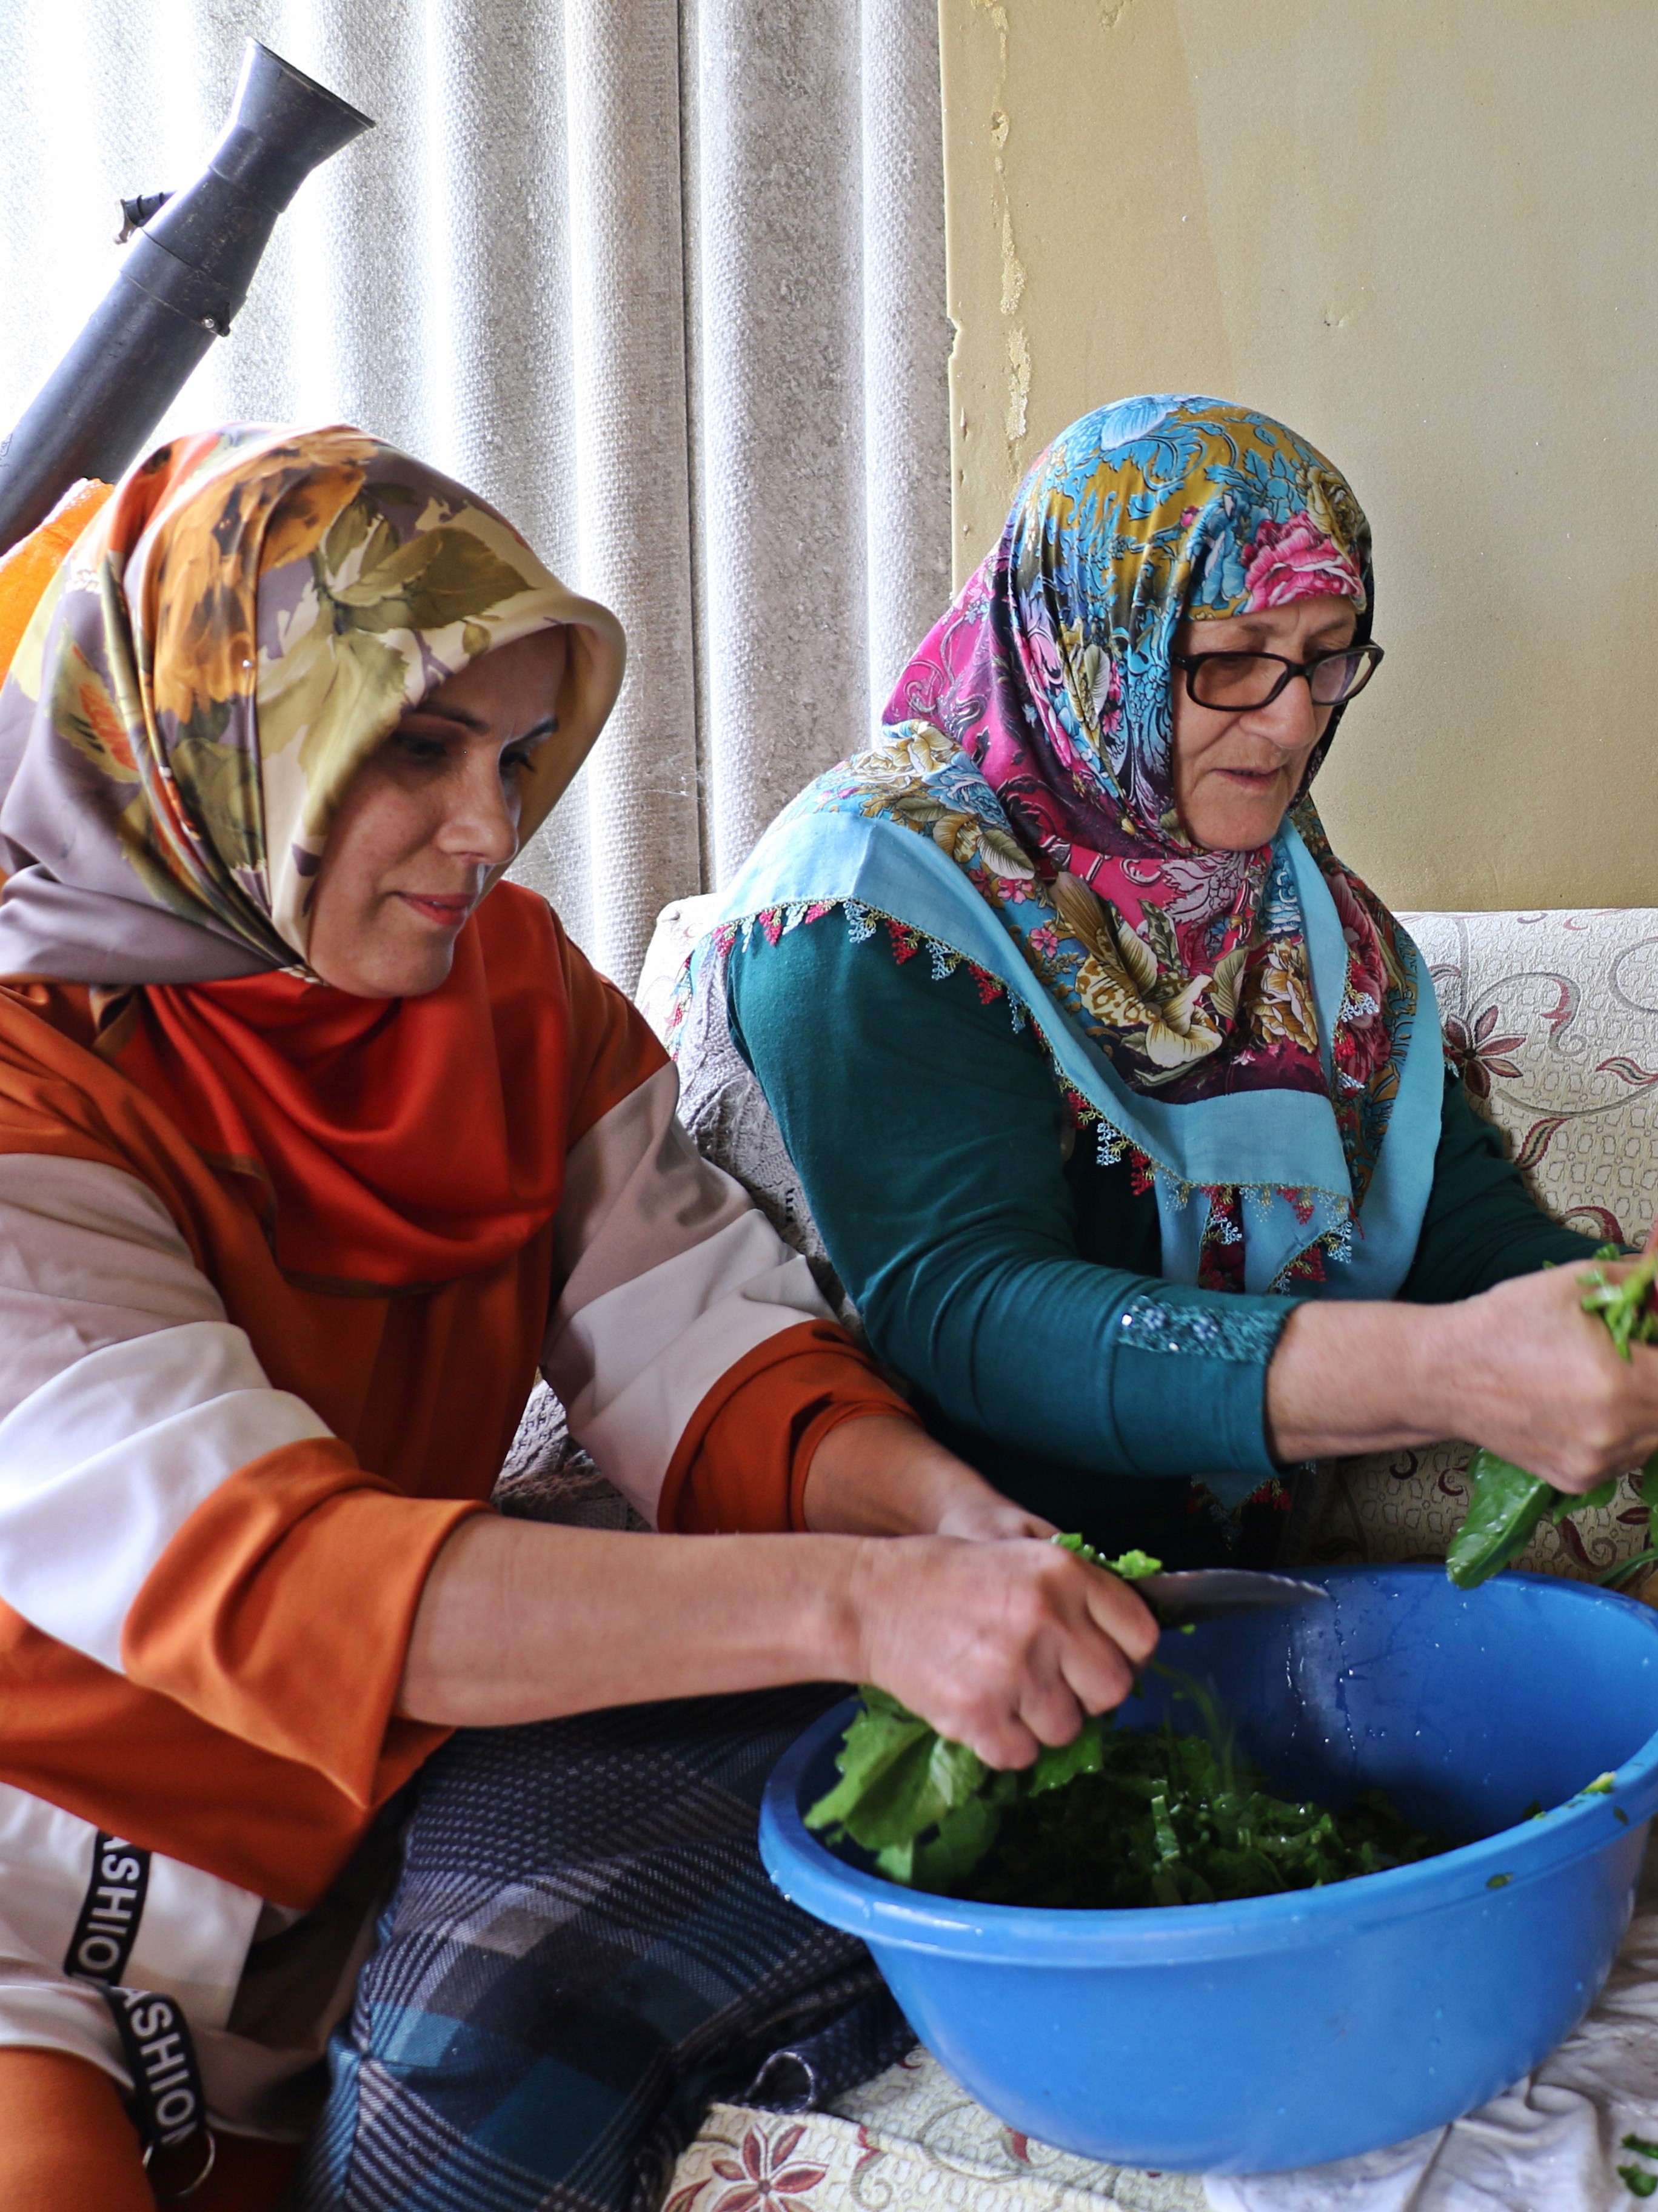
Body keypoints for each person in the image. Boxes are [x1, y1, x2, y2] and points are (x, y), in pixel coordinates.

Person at [0, 426, 1155, 2211]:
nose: (493, 828)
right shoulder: (26, 1080)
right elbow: (269, 1581)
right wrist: (869, 1605)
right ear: (216, 749)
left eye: (521, 753)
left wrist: (941, 1516)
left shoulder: (509, 990)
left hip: (343, 1841)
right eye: (415, 748)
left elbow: (698, 1344)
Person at [703, 395, 1658, 1558]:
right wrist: (1442, 1371)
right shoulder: (866, 904)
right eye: (1232, 659)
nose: (1295, 722)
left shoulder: (1286, 907)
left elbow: (1466, 1233)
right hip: (911, 1607)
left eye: (1329, 655)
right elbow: (966, 1314)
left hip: (1216, 1603)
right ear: (1088, 648)